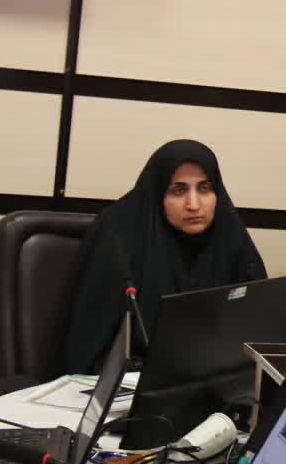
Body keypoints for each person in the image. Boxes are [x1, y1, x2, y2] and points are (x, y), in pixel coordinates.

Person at [62, 140, 266, 374]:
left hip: (214, 382)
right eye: (179, 190)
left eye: (204, 188)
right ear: (158, 193)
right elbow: (87, 350)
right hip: (129, 384)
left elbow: (257, 332)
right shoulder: (118, 237)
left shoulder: (230, 237)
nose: (193, 204)